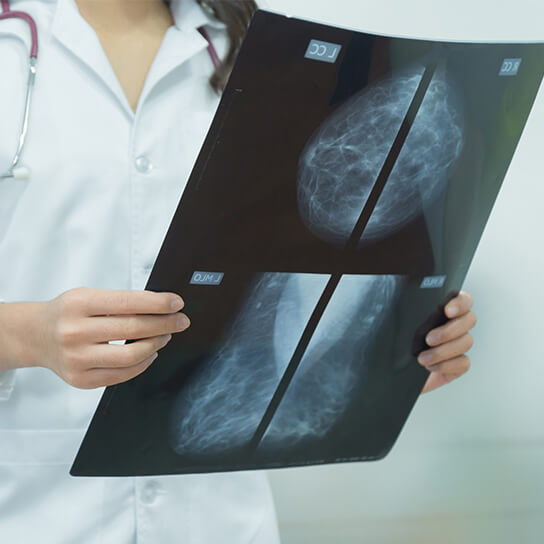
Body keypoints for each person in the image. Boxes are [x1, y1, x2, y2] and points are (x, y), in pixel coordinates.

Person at [0, 0, 477, 542]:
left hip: (218, 520)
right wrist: (27, 335)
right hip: (32, 514)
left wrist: (389, 355)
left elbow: (286, 273)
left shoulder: (255, 47)